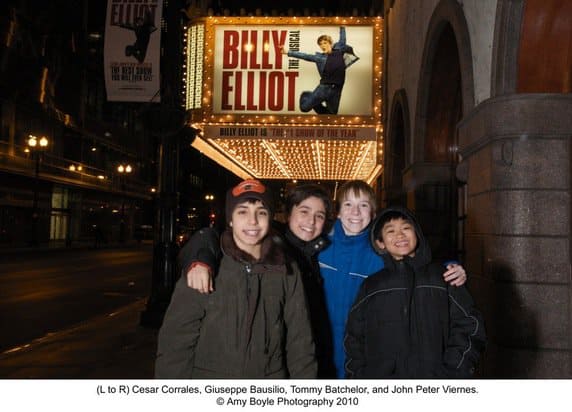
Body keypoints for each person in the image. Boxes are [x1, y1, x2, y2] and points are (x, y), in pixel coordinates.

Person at [155, 179, 316, 378]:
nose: (253, 221)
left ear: (270, 218)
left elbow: (300, 341)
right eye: (242, 211)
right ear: (230, 219)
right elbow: (176, 342)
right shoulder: (204, 267)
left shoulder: (287, 269)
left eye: (262, 212)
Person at [318, 180, 467, 378]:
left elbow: (417, 263)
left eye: (363, 205)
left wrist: (450, 267)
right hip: (321, 350)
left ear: (372, 213)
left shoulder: (382, 252)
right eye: (348, 204)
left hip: (366, 354)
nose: (355, 212)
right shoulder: (319, 248)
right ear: (338, 212)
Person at [344, 206, 486, 378]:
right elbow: (354, 337)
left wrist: (454, 371)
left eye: (406, 228)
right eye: (390, 231)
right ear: (380, 243)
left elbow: (470, 324)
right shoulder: (371, 285)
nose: (400, 235)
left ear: (417, 234)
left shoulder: (444, 277)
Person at [280, 26, 359, 114]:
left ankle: (314, 99)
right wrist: (288, 52)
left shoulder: (339, 51)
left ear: (331, 43)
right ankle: (307, 95)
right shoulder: (319, 58)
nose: (322, 46)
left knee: (332, 116)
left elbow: (342, 38)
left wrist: (342, 27)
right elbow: (305, 56)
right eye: (320, 44)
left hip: (337, 90)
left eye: (325, 43)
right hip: (323, 88)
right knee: (304, 108)